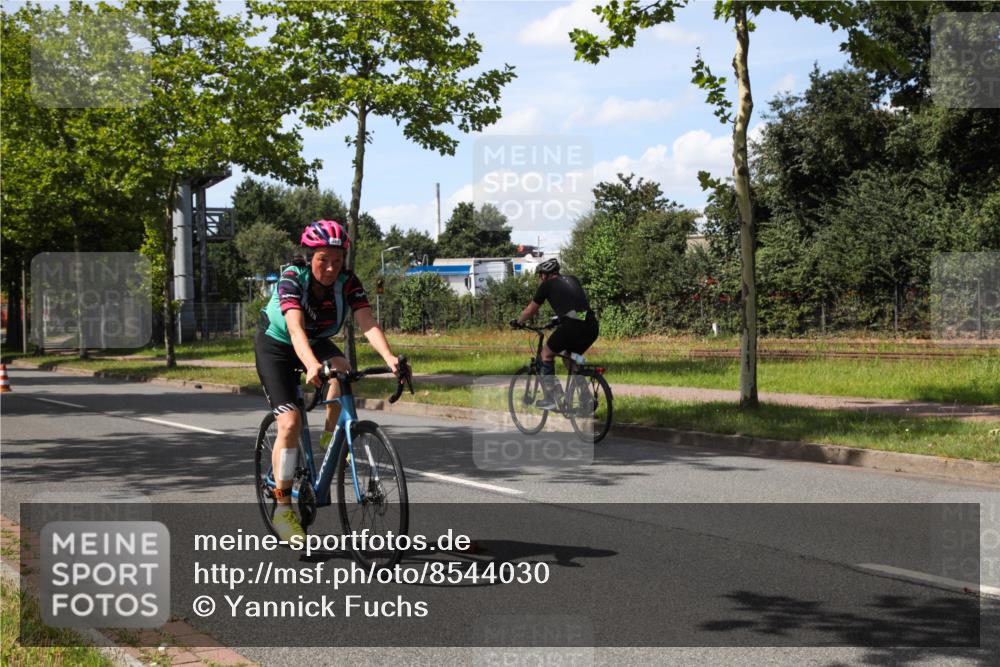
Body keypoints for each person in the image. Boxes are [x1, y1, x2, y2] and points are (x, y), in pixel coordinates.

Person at [254, 219, 404, 542]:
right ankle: (282, 507)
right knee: (291, 422)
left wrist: (390, 359)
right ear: (310, 257)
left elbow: (368, 322)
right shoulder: (293, 279)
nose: (331, 268)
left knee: (343, 369)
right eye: (324, 259)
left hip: (316, 338)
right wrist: (310, 365)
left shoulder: (348, 282)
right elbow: (295, 329)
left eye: (338, 261)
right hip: (277, 344)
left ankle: (331, 438)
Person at [510, 258, 599, 409]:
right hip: (591, 326)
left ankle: (550, 398)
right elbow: (574, 304)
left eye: (541, 274)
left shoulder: (547, 285)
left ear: (546, 274)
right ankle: (586, 399)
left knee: (546, 354)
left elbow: (531, 310)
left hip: (573, 326)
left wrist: (518, 322)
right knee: (569, 357)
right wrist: (559, 319)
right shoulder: (572, 279)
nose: (540, 278)